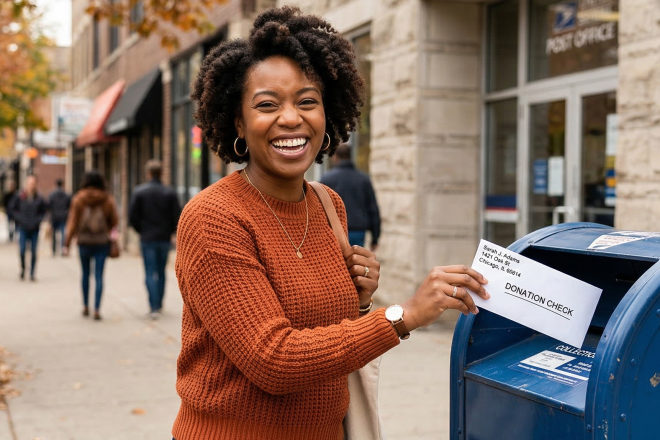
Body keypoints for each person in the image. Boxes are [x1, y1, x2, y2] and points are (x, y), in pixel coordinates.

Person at [171, 6, 489, 440]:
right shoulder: (214, 217)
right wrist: (403, 315)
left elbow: (326, 331)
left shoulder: (327, 204)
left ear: (327, 115)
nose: (291, 118)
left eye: (307, 101)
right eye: (267, 104)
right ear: (239, 123)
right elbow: (273, 360)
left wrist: (359, 299)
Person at [128, 160, 182, 319]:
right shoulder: (169, 192)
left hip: (147, 237)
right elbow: (177, 216)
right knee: (161, 271)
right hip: (164, 238)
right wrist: (171, 231)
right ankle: (159, 302)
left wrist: (141, 230)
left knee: (150, 271)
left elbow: (132, 217)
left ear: (148, 174)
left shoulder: (140, 192)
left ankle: (153, 306)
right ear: (161, 173)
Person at [63, 171, 118, 321]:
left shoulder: (79, 199)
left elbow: (73, 223)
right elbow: (114, 221)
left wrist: (66, 244)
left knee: (85, 275)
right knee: (99, 276)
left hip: (84, 242)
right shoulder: (107, 199)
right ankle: (97, 309)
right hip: (101, 242)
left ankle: (86, 306)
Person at [321, 143, 381, 250]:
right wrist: (375, 237)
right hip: (357, 231)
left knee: (335, 265)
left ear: (335, 157)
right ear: (350, 156)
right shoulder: (363, 179)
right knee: (355, 264)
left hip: (334, 231)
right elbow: (373, 209)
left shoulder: (327, 179)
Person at [11, 175, 47, 280]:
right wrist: (19, 219)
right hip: (23, 227)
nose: (31, 185)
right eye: (29, 183)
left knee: (34, 251)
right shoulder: (20, 196)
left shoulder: (39, 198)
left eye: (33, 183)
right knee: (22, 250)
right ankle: (23, 269)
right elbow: (12, 209)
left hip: (34, 229)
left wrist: (38, 221)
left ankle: (32, 273)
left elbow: (43, 212)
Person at [48, 179, 71, 256]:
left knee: (54, 234)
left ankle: (54, 250)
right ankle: (62, 248)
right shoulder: (66, 194)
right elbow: (69, 205)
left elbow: (49, 206)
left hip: (54, 216)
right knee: (63, 233)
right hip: (63, 216)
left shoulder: (52, 195)